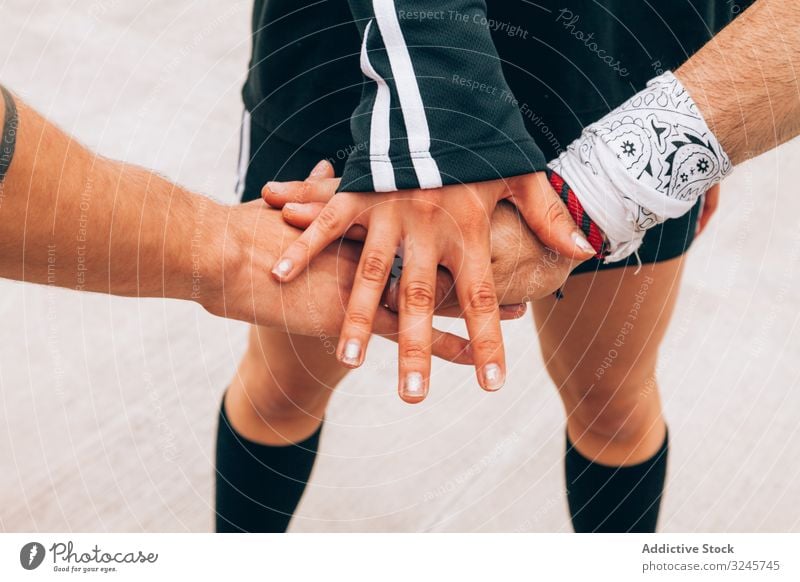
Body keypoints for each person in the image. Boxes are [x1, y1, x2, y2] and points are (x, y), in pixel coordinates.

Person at [218, 0, 798, 534]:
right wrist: (435, 134)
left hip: (624, 55)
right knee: (282, 389)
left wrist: (718, 106)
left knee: (614, 406)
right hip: (359, 56)